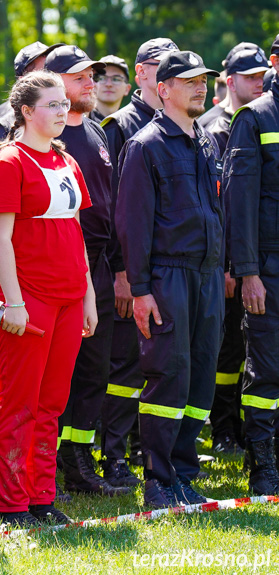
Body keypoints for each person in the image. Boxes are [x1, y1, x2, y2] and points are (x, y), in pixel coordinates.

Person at [0, 70, 96, 528]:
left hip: (70, 298)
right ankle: (12, 505)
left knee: (51, 405)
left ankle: (40, 498)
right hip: (27, 300)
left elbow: (75, 232)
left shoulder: (67, 162)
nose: (61, 111)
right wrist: (13, 302)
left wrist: (87, 296)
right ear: (27, 112)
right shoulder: (9, 162)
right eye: (51, 104)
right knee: (20, 403)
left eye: (63, 104)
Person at [116, 50, 223, 508]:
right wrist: (140, 290)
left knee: (200, 378)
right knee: (168, 377)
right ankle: (157, 480)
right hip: (168, 277)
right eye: (190, 81)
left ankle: (183, 471)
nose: (201, 86)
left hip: (208, 276)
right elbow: (132, 224)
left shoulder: (206, 141)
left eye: (204, 80)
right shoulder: (146, 146)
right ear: (164, 89)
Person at [43, 45, 130, 497]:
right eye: (79, 77)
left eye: (91, 75)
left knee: (94, 370)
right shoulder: (48, 138)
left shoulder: (98, 133)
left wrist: (118, 270)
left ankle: (78, 461)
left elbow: (111, 210)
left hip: (96, 268)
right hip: (58, 270)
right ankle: (48, 464)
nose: (90, 83)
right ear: (55, 83)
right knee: (60, 371)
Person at [99, 37, 178, 485]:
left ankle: (143, 449)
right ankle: (113, 454)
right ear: (142, 73)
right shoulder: (121, 125)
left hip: (172, 269)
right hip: (132, 269)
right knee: (125, 365)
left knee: (159, 364)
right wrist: (124, 272)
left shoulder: (180, 123)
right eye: (158, 65)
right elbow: (115, 210)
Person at [205, 46, 270, 456]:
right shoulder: (213, 127)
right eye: (249, 76)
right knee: (226, 350)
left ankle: (246, 431)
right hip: (229, 263)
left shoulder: (263, 118)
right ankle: (224, 428)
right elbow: (223, 202)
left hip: (254, 258)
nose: (258, 81)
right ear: (229, 80)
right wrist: (231, 263)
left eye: (262, 73)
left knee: (248, 349)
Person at [224, 34, 279, 495]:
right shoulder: (255, 116)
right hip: (269, 267)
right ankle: (262, 462)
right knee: (267, 366)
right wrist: (249, 272)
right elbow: (239, 203)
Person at [0, 41, 63, 131]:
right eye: (45, 71)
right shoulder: (5, 124)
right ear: (23, 80)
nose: (52, 76)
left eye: (53, 70)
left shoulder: (59, 114)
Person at [91, 55, 131, 121]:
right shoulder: (81, 122)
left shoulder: (132, 125)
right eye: (102, 78)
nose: (108, 84)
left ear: (127, 89)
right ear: (93, 85)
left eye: (116, 79)